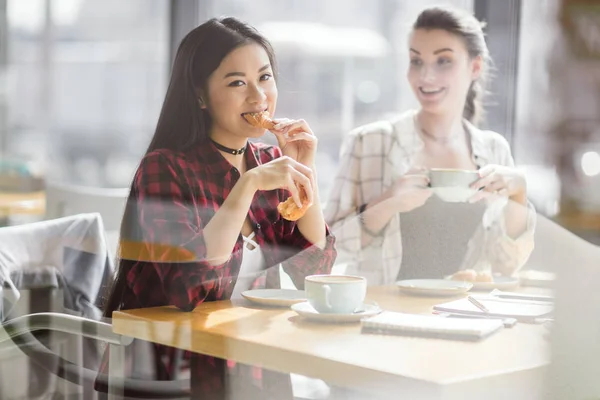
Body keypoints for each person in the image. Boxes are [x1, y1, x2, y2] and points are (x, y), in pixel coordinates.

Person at [98, 17, 336, 399]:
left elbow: (316, 271)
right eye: (237, 82)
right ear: (200, 96)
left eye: (265, 77)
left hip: (255, 363)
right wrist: (248, 185)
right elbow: (185, 289)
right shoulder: (165, 168)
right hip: (175, 372)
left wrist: (306, 172)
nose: (259, 96)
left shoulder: (269, 162)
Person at [324, 6, 534, 286]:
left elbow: (505, 265)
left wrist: (519, 193)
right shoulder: (370, 142)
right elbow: (324, 250)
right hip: (383, 316)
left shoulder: (494, 150)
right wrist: (386, 204)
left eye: (443, 61)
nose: (426, 77)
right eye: (416, 61)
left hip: (466, 317)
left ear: (475, 67)